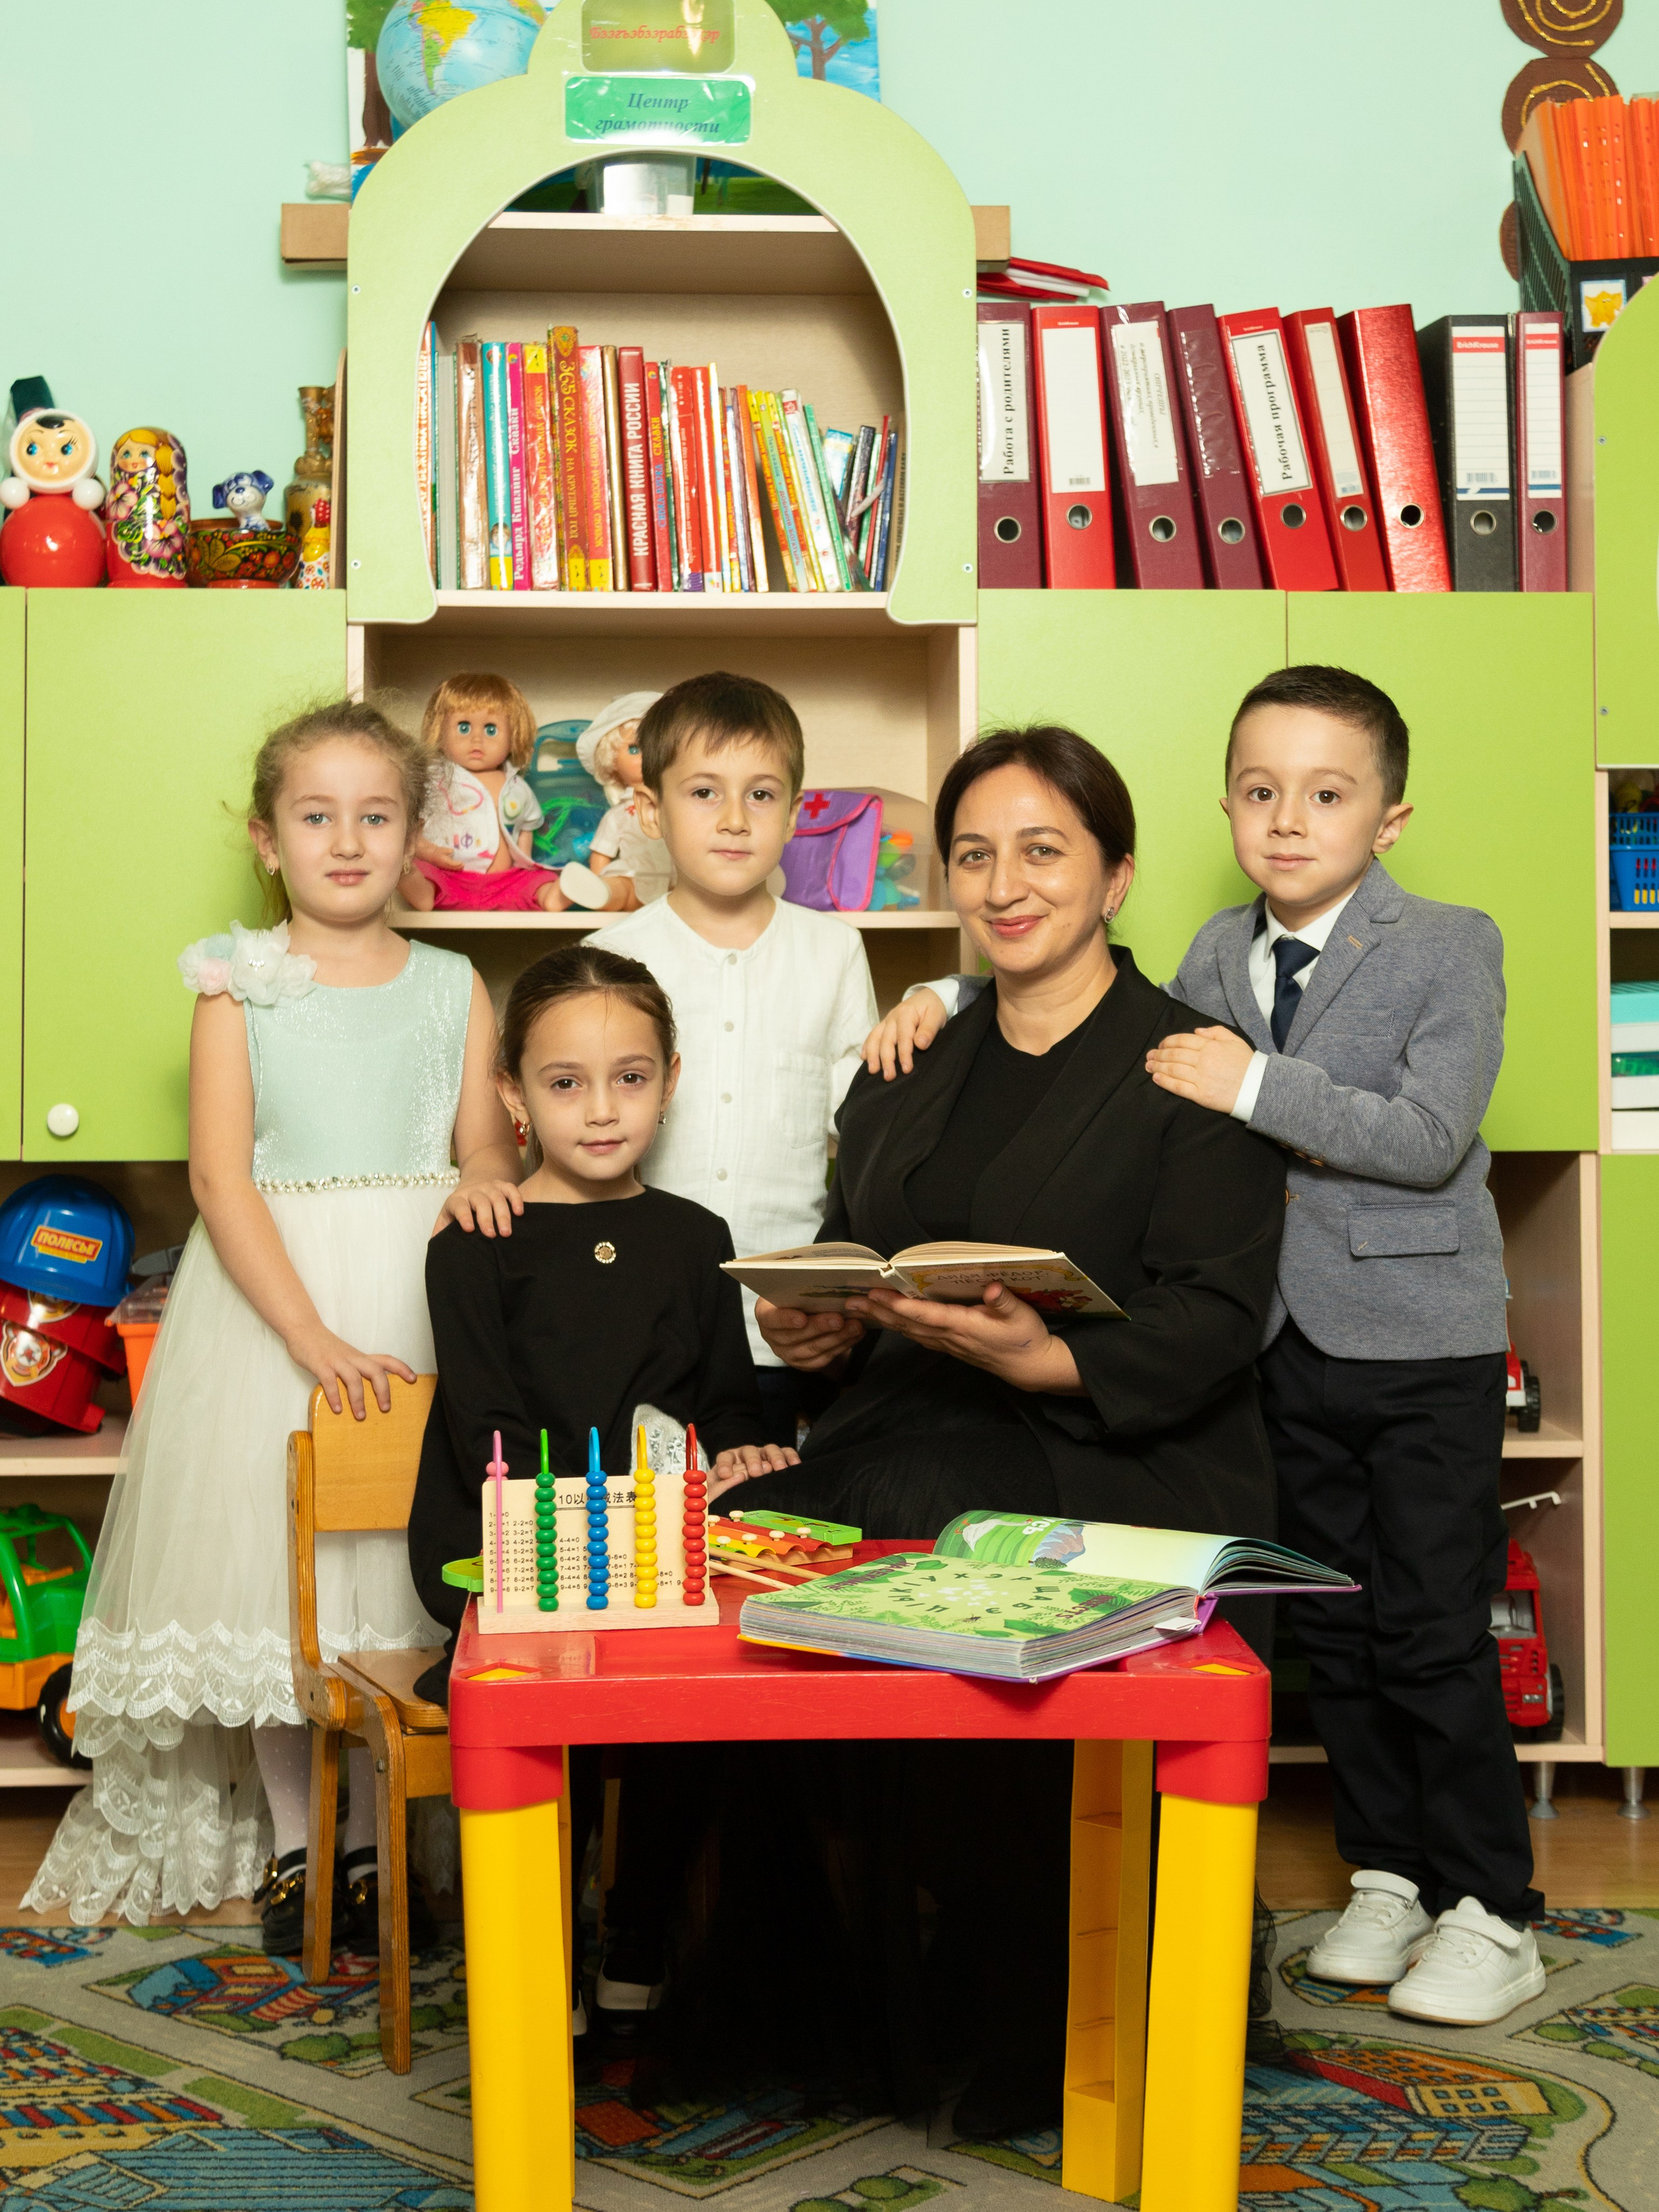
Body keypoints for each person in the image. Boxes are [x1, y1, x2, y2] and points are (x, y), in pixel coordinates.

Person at [878, 666, 1542, 2030]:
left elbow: (1426, 1139)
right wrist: (942, 994)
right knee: (1330, 1626)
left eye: (1324, 792)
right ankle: (1386, 1870)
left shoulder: (1447, 941)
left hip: (1417, 1345)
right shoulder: (1208, 954)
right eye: (1256, 791)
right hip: (1272, 1343)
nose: (1284, 819)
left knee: (1428, 1622)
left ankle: (1491, 1900)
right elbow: (1076, 984)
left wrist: (1247, 1079)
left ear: (1390, 815)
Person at [730, 723, 1288, 2135]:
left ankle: (1028, 1984)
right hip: (915, 1415)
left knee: (920, 1508)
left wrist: (1049, 1354)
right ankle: (847, 1996)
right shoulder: (910, 1054)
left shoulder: (1187, 1064)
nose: (1003, 881)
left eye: (1042, 849)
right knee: (753, 1539)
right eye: (972, 853)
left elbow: (1218, 1313)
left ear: (1113, 875)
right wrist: (817, 1319)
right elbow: (853, 1246)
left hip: (1119, 1444)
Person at [25, 701, 522, 1952]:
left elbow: (477, 1139)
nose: (346, 841)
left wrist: (477, 1170)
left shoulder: (457, 984)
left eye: (375, 816)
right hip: (277, 1306)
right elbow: (219, 1178)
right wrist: (309, 1338)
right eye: (317, 817)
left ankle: (376, 1851)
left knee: (398, 1588)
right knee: (274, 1586)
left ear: (414, 836)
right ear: (269, 838)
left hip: (416, 1293)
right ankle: (306, 1849)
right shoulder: (235, 982)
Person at [408, 943, 797, 2035]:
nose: (601, 1109)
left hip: (661, 1561)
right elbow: (488, 1425)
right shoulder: (476, 1242)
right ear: (512, 1094)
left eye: (630, 1076)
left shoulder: (695, 1241)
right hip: (509, 1552)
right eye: (565, 1081)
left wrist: (745, 1455)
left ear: (671, 1079)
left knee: (704, 1686)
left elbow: (725, 1406)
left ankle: (639, 1927)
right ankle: (545, 1939)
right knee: (560, 1690)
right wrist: (590, 1537)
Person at [598, 671, 877, 1440]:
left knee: (766, 1536)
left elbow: (861, 1141)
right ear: (649, 810)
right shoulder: (608, 957)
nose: (733, 819)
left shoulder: (833, 951)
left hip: (782, 1332)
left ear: (793, 813)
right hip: (634, 1321)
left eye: (760, 794)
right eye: (702, 793)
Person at [403, 670, 568, 913]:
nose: (477, 740)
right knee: (426, 873)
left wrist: (526, 864)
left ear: (514, 736)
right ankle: (415, 887)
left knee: (537, 880)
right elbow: (411, 821)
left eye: (491, 730)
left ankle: (553, 896)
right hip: (451, 877)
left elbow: (527, 827)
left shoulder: (515, 785)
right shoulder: (434, 779)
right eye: (464, 727)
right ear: (440, 730)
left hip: (505, 882)